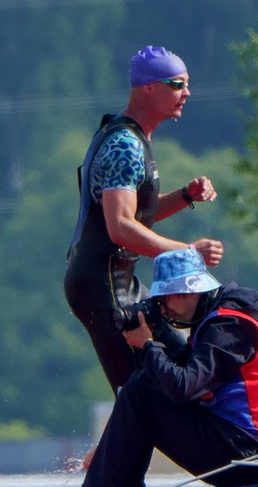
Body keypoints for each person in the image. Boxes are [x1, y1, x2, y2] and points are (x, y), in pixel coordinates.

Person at [48, 248, 258, 487]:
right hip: (254, 451)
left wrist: (148, 346)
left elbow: (181, 388)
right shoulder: (227, 320)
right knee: (143, 386)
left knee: (142, 391)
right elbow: (170, 377)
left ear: (188, 291)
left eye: (165, 299)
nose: (165, 309)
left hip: (254, 459)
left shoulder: (230, 328)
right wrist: (110, 445)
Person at [64, 45, 225, 389]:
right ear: (149, 88)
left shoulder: (134, 138)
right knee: (142, 394)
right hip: (102, 284)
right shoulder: (125, 145)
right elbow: (121, 226)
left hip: (119, 281)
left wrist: (185, 195)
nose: (187, 93)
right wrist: (188, 253)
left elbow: (136, 215)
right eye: (178, 84)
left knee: (183, 365)